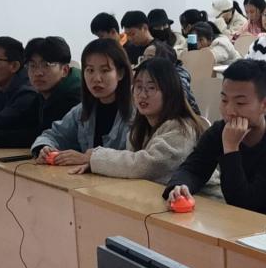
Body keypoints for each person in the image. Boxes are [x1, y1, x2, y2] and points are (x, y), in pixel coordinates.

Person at [164, 59, 266, 221]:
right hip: (238, 223)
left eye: (240, 103)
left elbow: (243, 204)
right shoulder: (220, 130)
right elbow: (193, 169)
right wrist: (180, 186)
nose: (229, 110)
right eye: (224, 100)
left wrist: (231, 148)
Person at [50, 57, 205, 185]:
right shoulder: (140, 127)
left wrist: (94, 158)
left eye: (151, 88)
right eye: (138, 87)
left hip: (202, 202)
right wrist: (93, 165)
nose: (142, 95)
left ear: (170, 92)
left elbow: (146, 166)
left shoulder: (181, 128)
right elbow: (130, 165)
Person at [0, 36, 81, 149]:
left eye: (46, 65)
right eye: (32, 65)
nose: (38, 73)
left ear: (64, 70)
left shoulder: (74, 97)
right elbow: (18, 123)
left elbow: (41, 135)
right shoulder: (43, 94)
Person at [31, 38, 133, 159]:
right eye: (90, 70)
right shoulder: (82, 110)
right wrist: (45, 147)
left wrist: (90, 158)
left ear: (120, 73)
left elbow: (138, 159)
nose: (96, 78)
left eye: (105, 70)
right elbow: (55, 135)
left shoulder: (137, 112)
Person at [140, 40, 200, 114]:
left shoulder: (178, 78)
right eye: (143, 57)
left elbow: (177, 102)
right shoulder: (147, 76)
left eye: (149, 58)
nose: (144, 62)